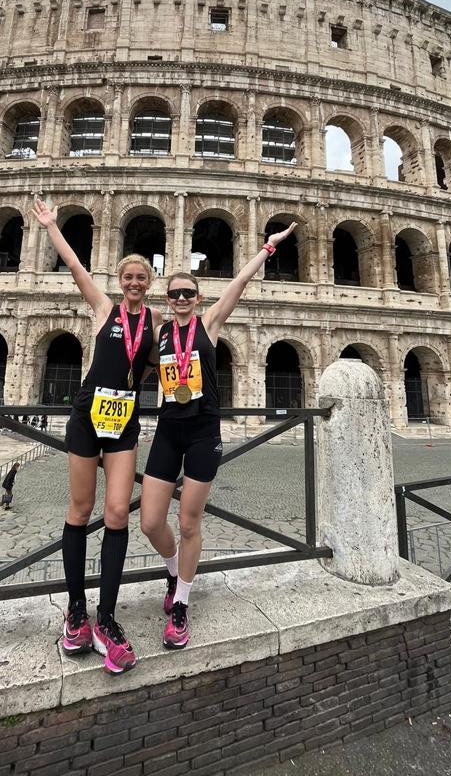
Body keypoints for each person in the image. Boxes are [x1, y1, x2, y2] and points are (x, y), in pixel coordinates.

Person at [140, 222, 297, 650]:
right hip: (169, 429)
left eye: (188, 293)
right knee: (151, 521)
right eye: (174, 294)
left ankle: (181, 605)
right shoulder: (159, 333)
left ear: (199, 298)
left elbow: (240, 281)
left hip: (204, 430)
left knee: (189, 522)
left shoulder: (209, 324)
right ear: (167, 299)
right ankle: (173, 571)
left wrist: (269, 247)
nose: (182, 299)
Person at [31, 197, 162, 674]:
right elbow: (73, 264)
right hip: (88, 411)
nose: (133, 282)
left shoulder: (155, 325)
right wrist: (50, 226)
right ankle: (76, 612)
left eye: (141, 278)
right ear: (120, 282)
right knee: (80, 509)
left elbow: (156, 368)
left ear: (150, 283)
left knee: (115, 514)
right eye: (127, 276)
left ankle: (107, 617)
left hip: (124, 417)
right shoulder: (103, 308)